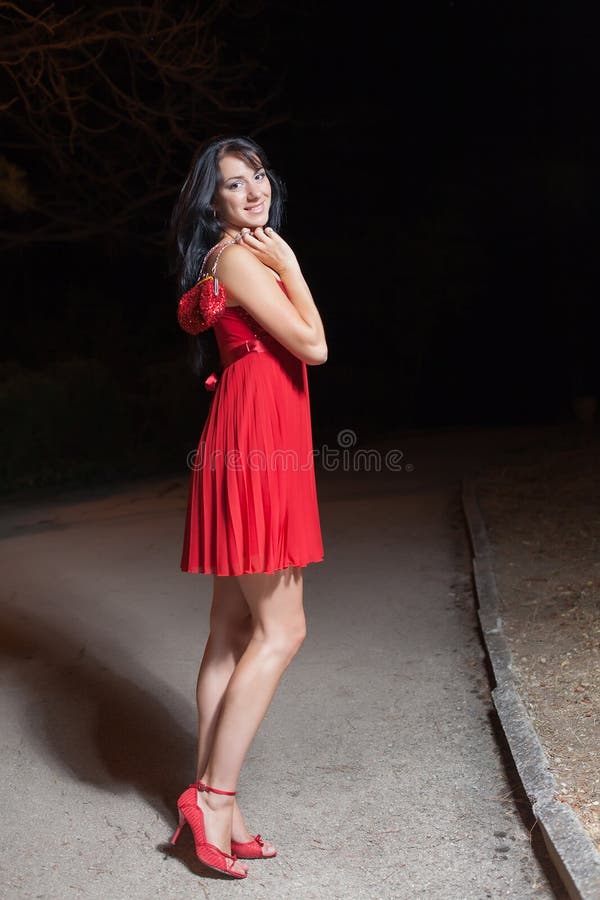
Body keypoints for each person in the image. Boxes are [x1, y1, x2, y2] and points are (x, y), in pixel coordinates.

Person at [167, 135, 327, 879]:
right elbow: (312, 344)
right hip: (257, 436)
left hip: (247, 428)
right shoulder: (240, 258)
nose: (253, 189)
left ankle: (217, 810)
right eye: (234, 184)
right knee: (282, 629)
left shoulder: (224, 261)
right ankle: (213, 794)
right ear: (215, 202)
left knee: (230, 629)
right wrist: (291, 264)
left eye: (258, 174)